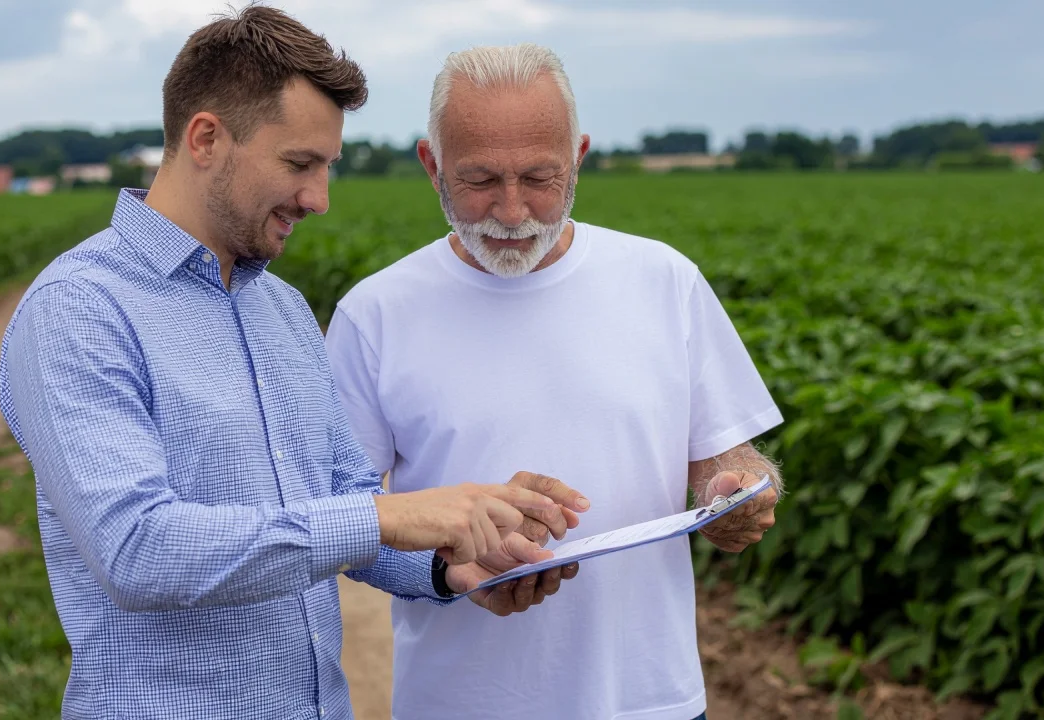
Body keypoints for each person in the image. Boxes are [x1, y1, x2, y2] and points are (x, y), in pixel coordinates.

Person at [0, 12, 590, 720]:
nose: (319, 198)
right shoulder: (80, 310)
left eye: (327, 166)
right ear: (207, 139)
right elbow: (136, 549)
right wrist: (387, 515)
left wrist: (447, 565)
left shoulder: (280, 309)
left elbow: (338, 497)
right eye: (299, 164)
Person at [323, 43, 786, 720]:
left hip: (650, 700)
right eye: (479, 180)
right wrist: (451, 570)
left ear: (579, 158)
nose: (512, 214)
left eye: (539, 178)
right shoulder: (374, 315)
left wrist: (736, 493)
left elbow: (727, 460)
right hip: (458, 704)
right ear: (432, 166)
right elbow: (342, 524)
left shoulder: (664, 282)